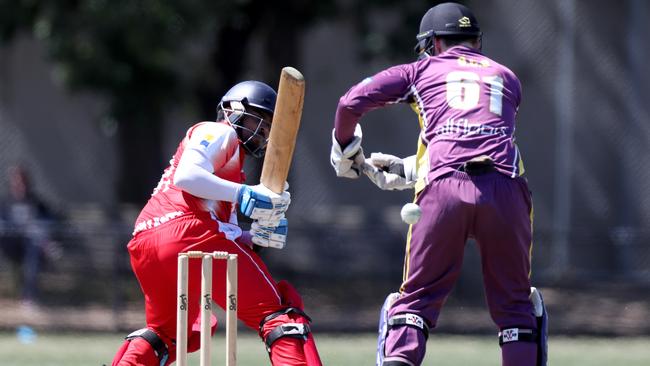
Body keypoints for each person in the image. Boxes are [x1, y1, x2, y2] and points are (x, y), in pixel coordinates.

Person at [330, 3, 547, 366]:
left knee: (414, 302)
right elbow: (483, 143)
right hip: (508, 190)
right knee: (515, 309)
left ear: (432, 43)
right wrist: (410, 169)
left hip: (444, 190)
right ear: (477, 41)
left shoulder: (421, 70)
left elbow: (350, 102)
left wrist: (345, 147)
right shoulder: (507, 77)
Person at [112, 80, 322, 366]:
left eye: (267, 130)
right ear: (234, 110)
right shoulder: (219, 131)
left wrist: (255, 237)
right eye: (259, 122)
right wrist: (245, 193)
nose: (262, 134)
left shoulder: (230, 172)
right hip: (188, 232)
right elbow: (186, 176)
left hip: (145, 241)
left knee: (170, 334)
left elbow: (226, 231)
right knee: (281, 315)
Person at [0, 165, 59, 306]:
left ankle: (29, 297)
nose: (20, 186)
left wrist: (38, 227)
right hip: (10, 245)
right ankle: (48, 246)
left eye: (23, 182)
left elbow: (50, 219)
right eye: (17, 182)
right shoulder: (5, 203)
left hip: (30, 246)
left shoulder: (36, 202)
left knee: (35, 242)